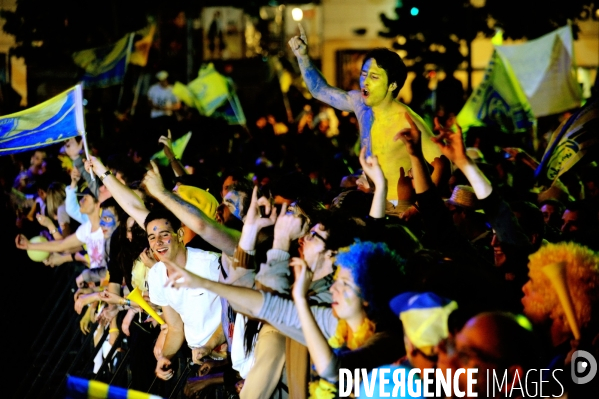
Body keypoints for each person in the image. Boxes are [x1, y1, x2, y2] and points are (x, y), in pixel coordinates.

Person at [288, 24, 442, 202]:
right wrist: (303, 57)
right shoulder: (359, 104)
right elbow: (319, 90)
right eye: (363, 74)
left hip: (394, 209)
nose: (365, 82)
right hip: (369, 198)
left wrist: (421, 206)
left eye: (374, 77)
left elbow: (443, 163)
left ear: (392, 85)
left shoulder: (407, 120)